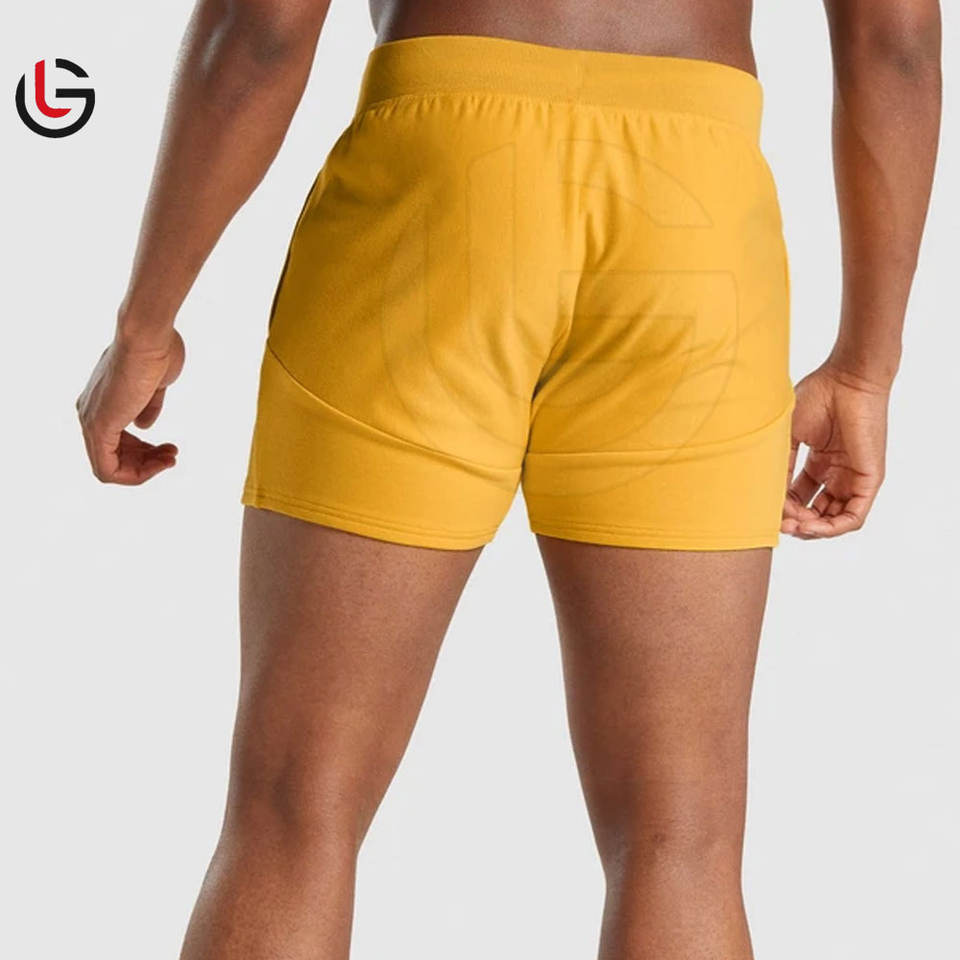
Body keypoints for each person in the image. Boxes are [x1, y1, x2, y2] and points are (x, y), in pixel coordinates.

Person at [76, 1, 941, 957]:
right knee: (681, 836)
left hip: (438, 178)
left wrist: (145, 326)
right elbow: (896, 40)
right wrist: (866, 366)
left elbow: (263, 29)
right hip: (693, 212)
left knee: (296, 804)